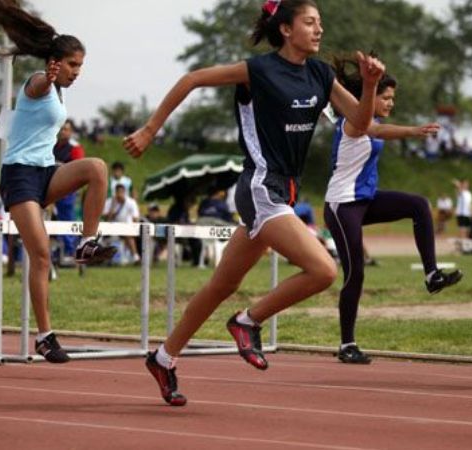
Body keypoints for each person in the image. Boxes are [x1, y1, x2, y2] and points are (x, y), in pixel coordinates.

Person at [124, 0, 385, 406]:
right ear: (286, 29)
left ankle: (162, 357)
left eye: (321, 23)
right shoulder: (258, 70)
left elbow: (360, 122)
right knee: (322, 270)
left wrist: (368, 87)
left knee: (222, 284)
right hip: (260, 186)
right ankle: (248, 321)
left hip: (286, 191)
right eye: (310, 22)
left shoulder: (320, 73)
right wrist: (150, 129)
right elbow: (191, 79)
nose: (319, 30)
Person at [0, 0, 115, 364]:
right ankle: (44, 337)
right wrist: (49, 74)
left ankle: (87, 243)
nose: (77, 72)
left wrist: (57, 77)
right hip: (20, 176)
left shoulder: (59, 93)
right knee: (41, 256)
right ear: (56, 62)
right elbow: (38, 85)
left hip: (46, 170)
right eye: (73, 65)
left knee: (97, 168)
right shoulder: (37, 84)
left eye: (80, 66)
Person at [322, 59, 463, 364]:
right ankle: (347, 345)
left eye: (392, 98)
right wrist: (413, 131)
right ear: (368, 97)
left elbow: (378, 130)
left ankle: (432, 275)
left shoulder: (364, 120)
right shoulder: (354, 122)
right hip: (341, 205)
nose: (390, 103)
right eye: (385, 97)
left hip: (366, 200)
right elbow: (377, 130)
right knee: (355, 273)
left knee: (418, 205)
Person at [53, 119, 85, 258]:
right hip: (52, 188)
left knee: (67, 220)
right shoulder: (53, 146)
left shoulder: (75, 148)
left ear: (71, 132)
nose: (63, 131)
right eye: (61, 129)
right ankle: (60, 252)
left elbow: (79, 169)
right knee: (56, 220)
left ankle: (71, 251)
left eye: (66, 129)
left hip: (68, 191)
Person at [105, 184, 140, 264]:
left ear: (124, 192)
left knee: (127, 234)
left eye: (121, 192)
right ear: (115, 193)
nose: (120, 194)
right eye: (118, 192)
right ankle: (106, 259)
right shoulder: (110, 202)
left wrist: (134, 229)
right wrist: (113, 207)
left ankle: (135, 257)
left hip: (128, 228)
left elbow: (136, 218)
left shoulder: (131, 202)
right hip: (113, 228)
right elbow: (107, 220)